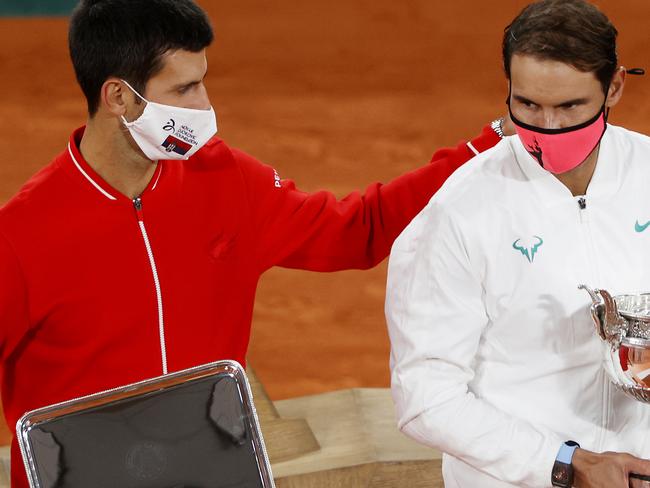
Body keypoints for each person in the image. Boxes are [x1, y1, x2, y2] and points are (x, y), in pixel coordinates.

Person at [0, 0, 505, 485]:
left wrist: (486, 147)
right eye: (185, 89)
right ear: (118, 97)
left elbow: (360, 230)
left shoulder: (226, 179)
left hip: (216, 476)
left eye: (203, 82)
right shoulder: (21, 236)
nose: (204, 105)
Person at [385, 1, 650, 487]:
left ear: (613, 87)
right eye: (528, 105)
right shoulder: (459, 211)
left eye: (569, 107)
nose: (547, 128)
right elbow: (425, 396)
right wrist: (565, 463)